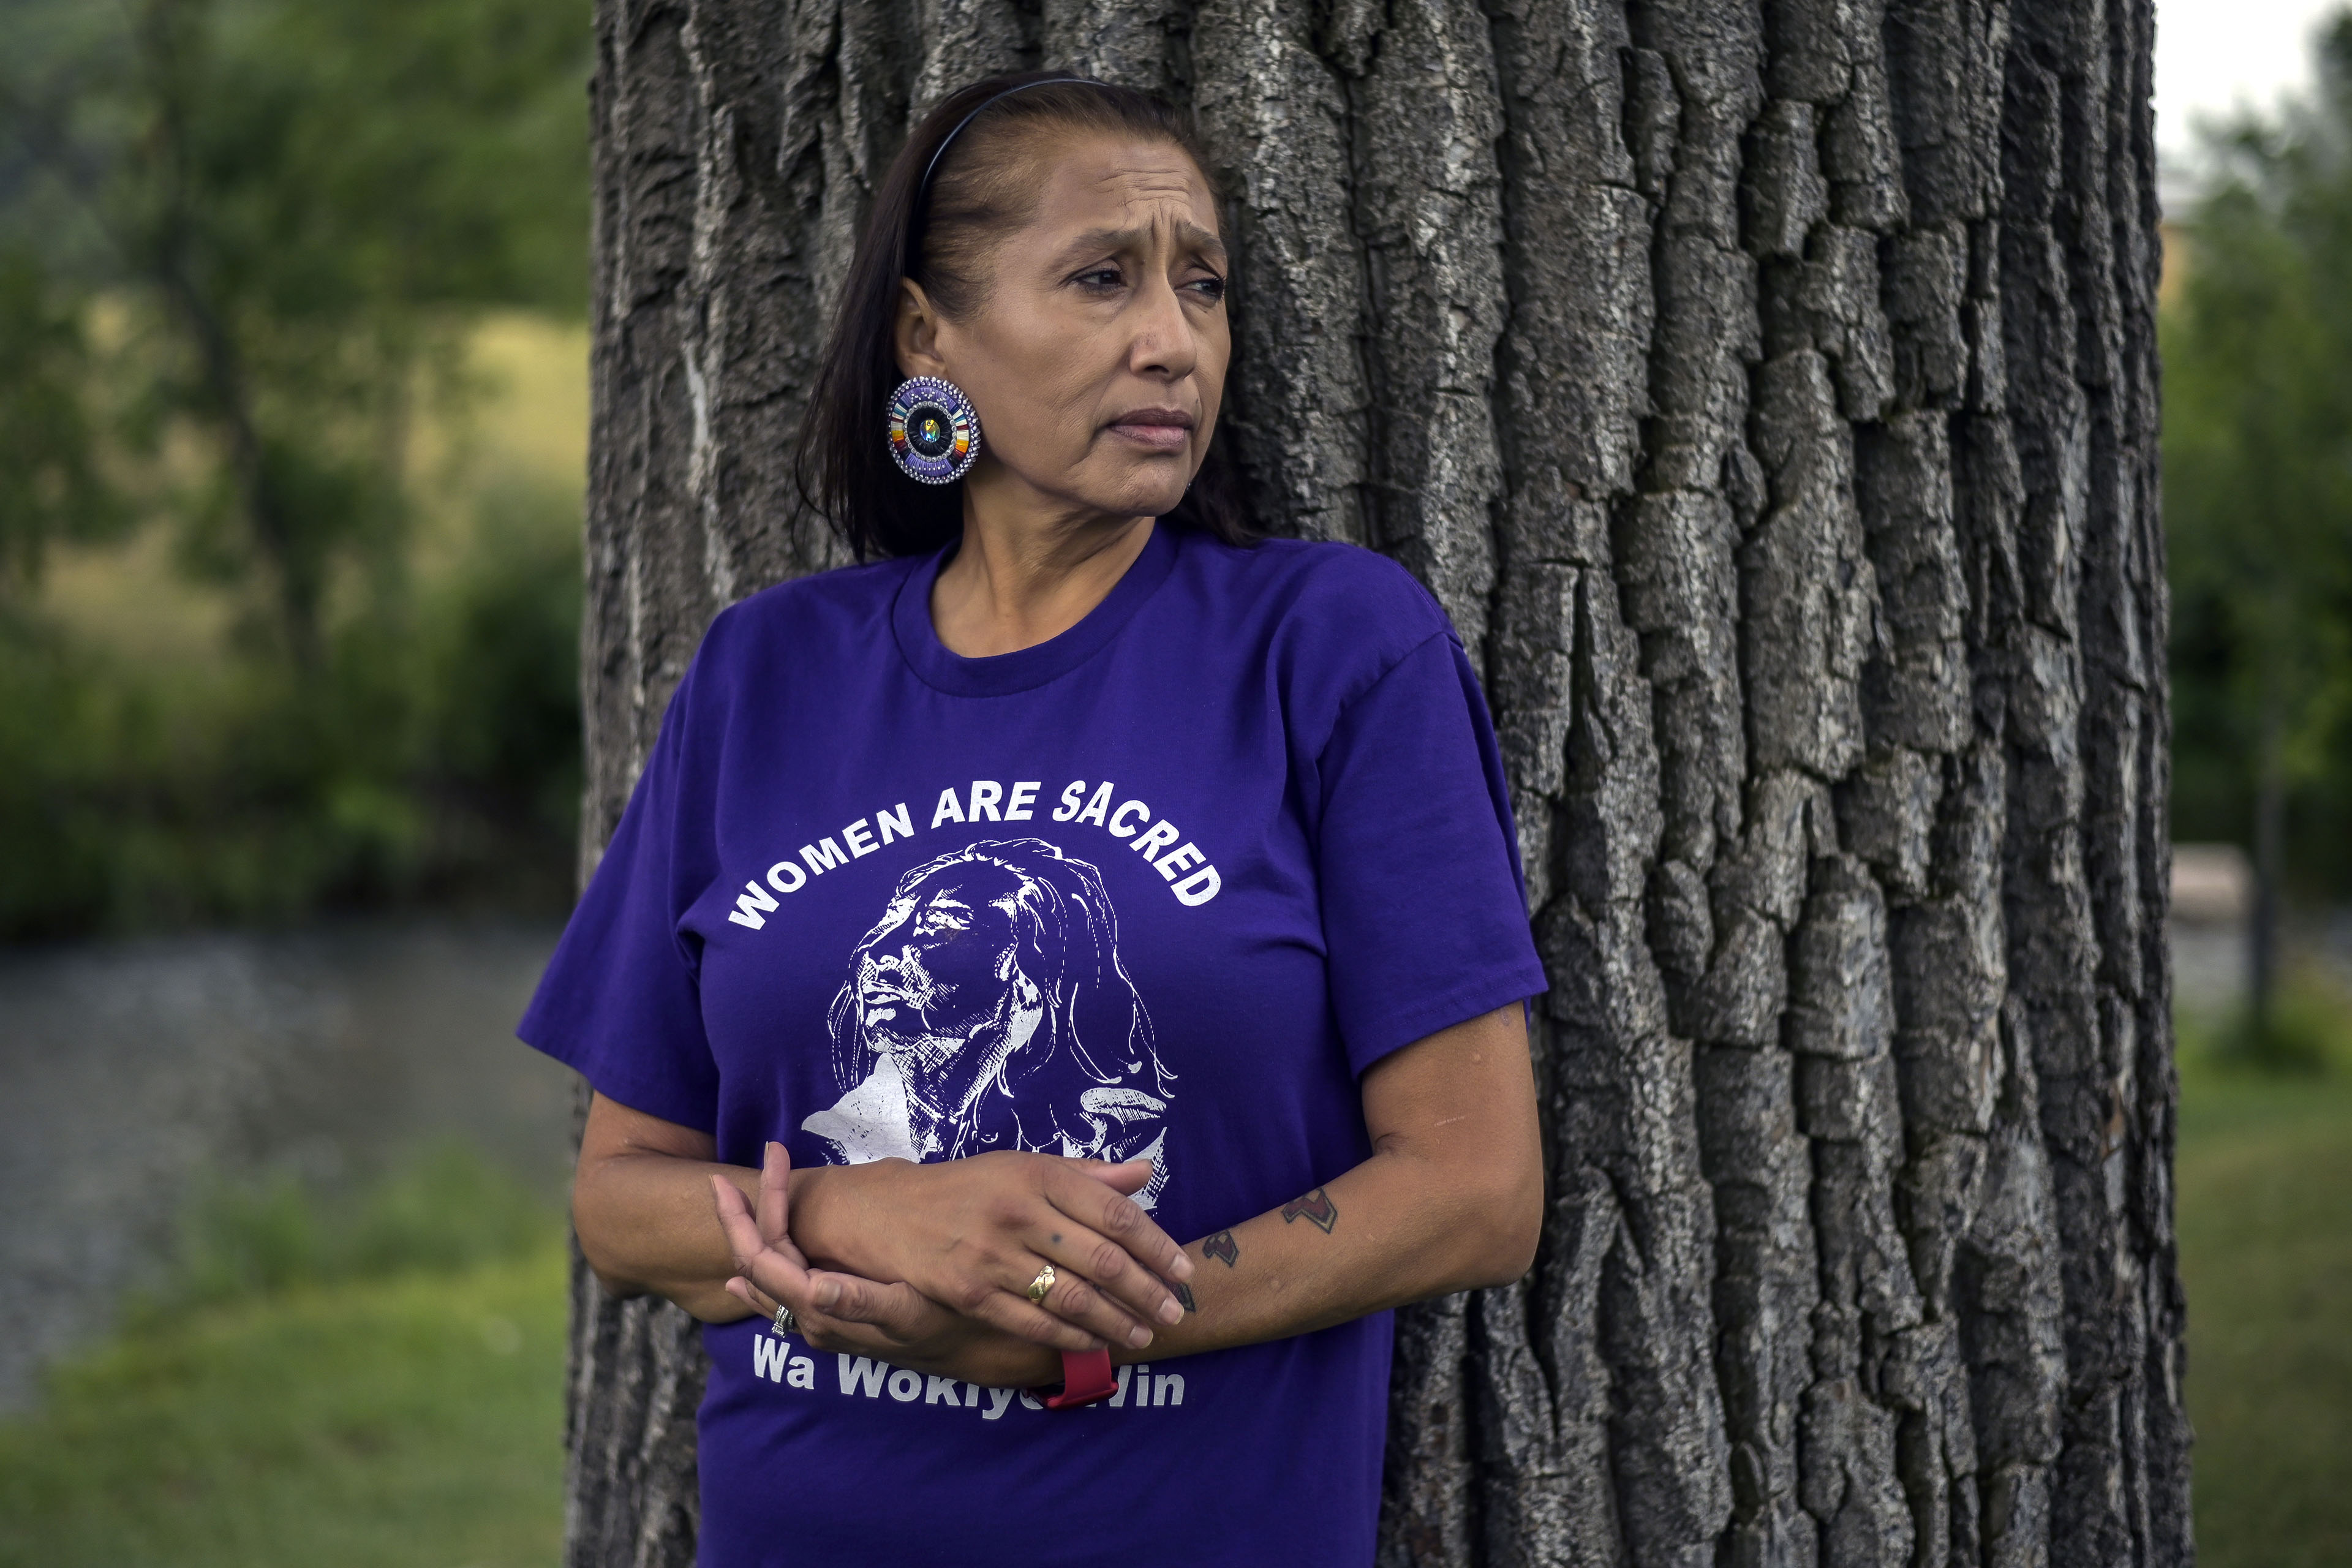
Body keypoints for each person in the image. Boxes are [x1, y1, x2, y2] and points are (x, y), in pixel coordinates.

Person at [519, 69, 1549, 1568]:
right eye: (1099, 278)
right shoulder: (770, 672)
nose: (1171, 340)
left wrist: (1083, 1326)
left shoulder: (1329, 646)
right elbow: (623, 1201)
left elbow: (1476, 1190)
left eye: (1203, 286)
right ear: (928, 337)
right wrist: (885, 1219)